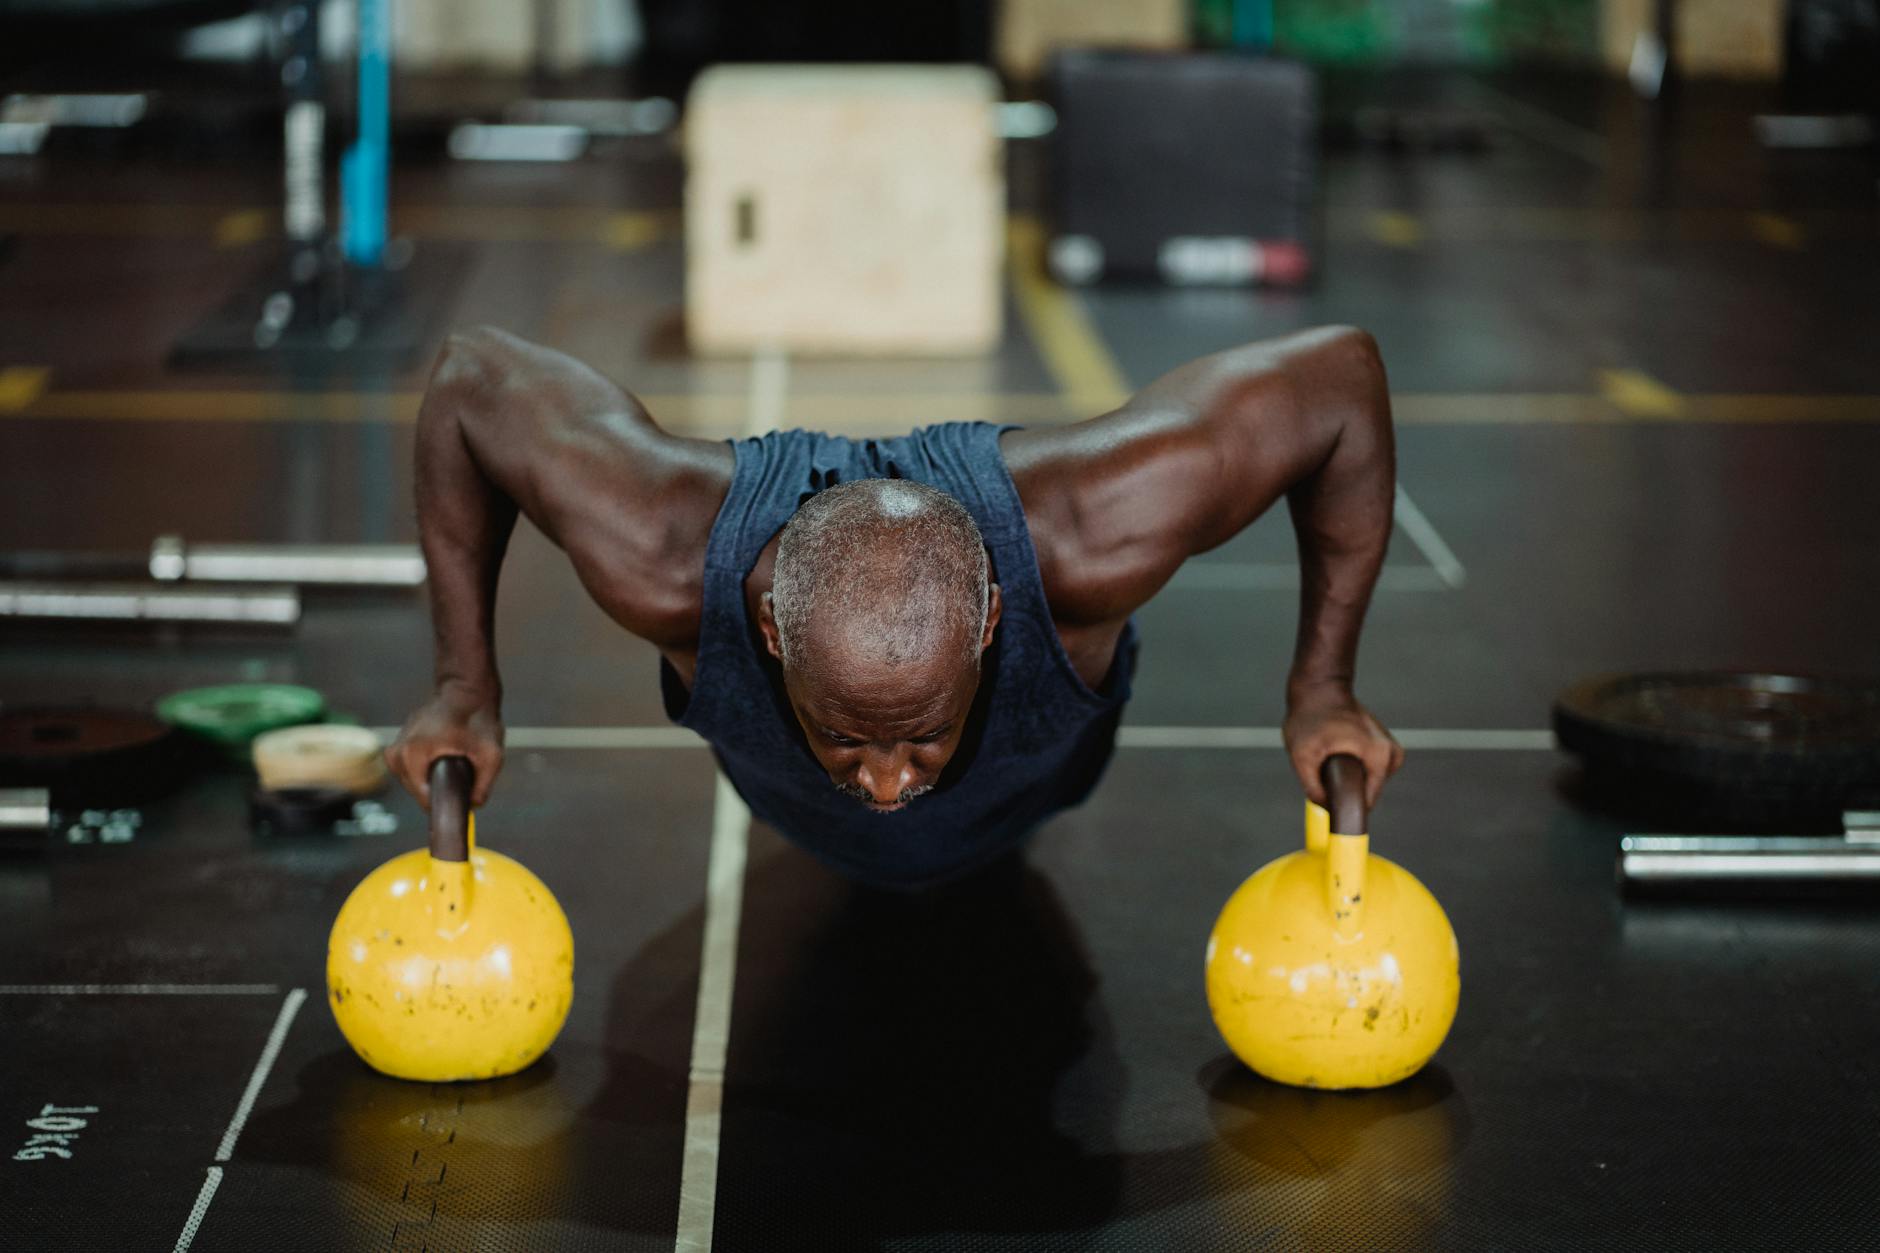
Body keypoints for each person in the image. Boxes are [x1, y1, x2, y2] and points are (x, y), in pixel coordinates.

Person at [387, 325, 1404, 888]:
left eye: (918, 738)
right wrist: (462, 688)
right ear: (774, 631)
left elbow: (1340, 377)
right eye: (842, 735)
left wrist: (1322, 686)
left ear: (991, 619)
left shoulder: (1093, 538)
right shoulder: (661, 555)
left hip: (1034, 795)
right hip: (795, 815)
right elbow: (470, 377)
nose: (879, 783)